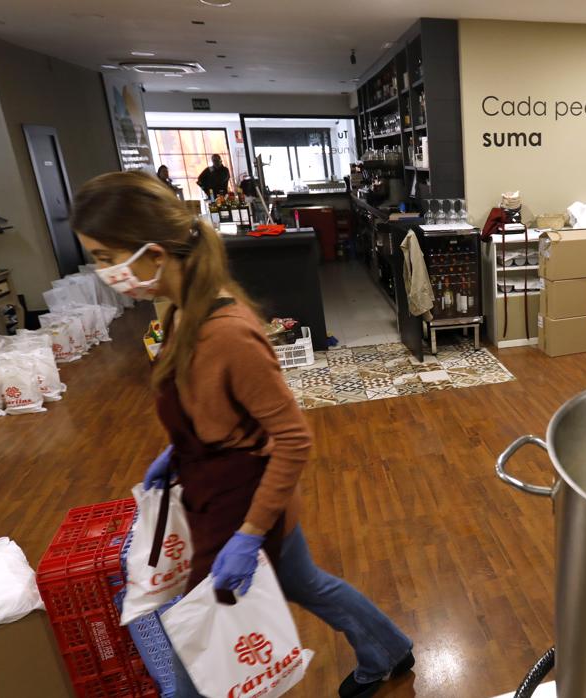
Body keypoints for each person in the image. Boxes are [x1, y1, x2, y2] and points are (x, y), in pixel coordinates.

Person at [70, 171, 413, 698]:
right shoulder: (184, 314)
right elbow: (214, 410)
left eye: (103, 257)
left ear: (153, 253)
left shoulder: (228, 335)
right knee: (304, 582)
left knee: (200, 654)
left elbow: (293, 439)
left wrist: (250, 535)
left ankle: (384, 649)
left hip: (242, 510)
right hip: (215, 495)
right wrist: (177, 450)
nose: (103, 272)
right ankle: (388, 648)